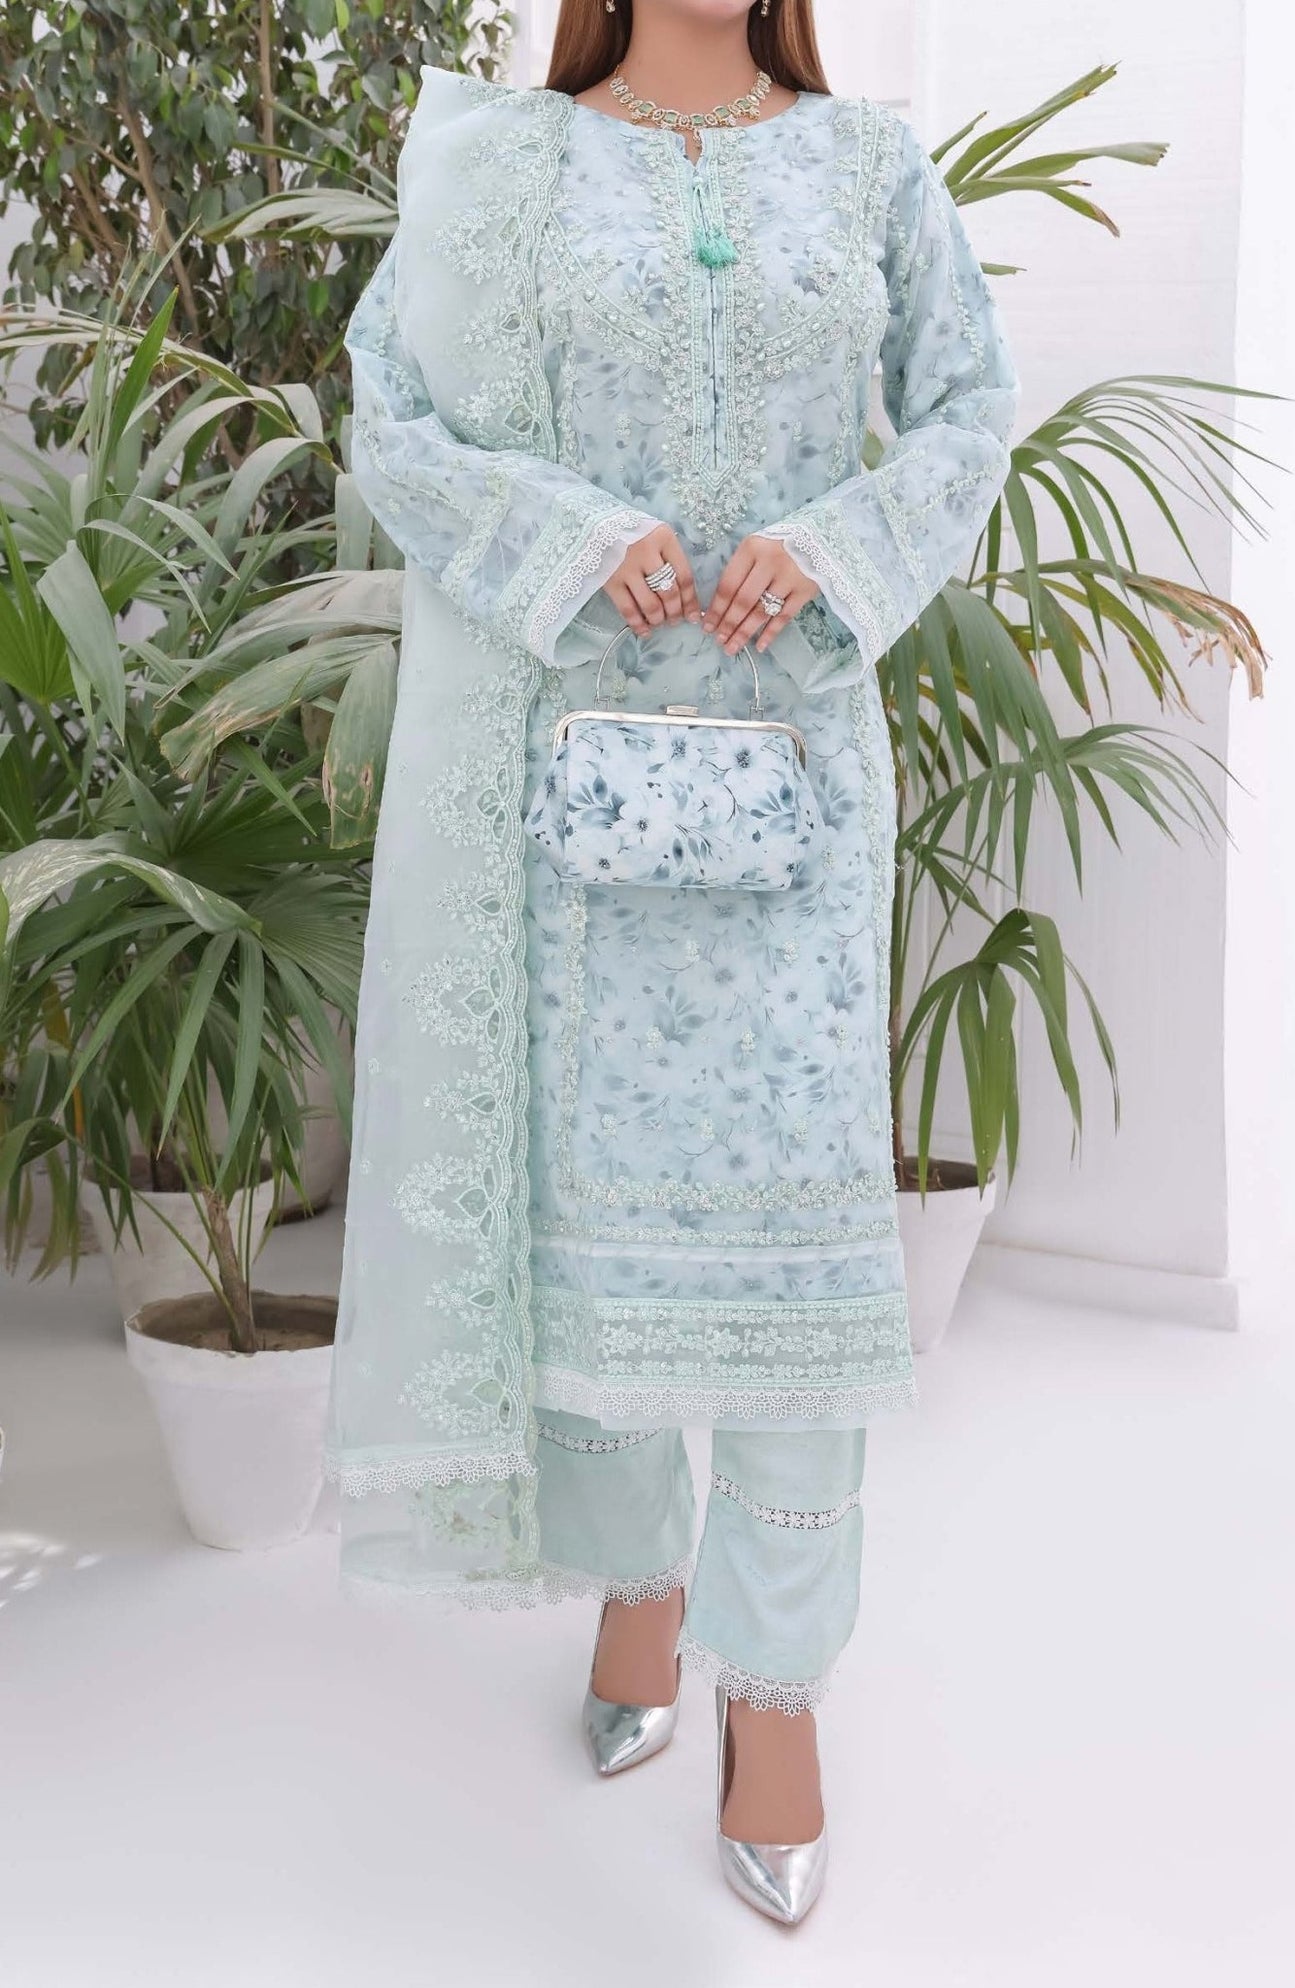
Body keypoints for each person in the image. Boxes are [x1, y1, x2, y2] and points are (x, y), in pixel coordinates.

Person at [326, 0, 1017, 1927]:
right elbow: (391, 406)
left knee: (796, 1247)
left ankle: (774, 1699)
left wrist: (841, 547)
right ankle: (638, 1582)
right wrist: (568, 536)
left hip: (799, 778)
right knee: (598, 1227)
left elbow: (968, 406)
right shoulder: (506, 168)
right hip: (577, 790)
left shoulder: (869, 164)